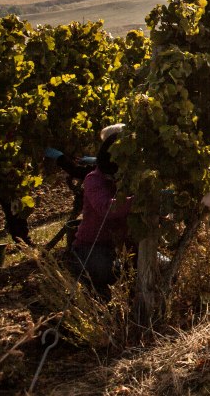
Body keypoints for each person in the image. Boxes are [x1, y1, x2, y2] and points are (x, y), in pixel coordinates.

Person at [67, 124, 132, 300]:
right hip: (91, 245)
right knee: (109, 273)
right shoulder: (93, 179)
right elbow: (105, 208)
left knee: (161, 265)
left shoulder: (132, 178)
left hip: (123, 244)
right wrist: (137, 202)